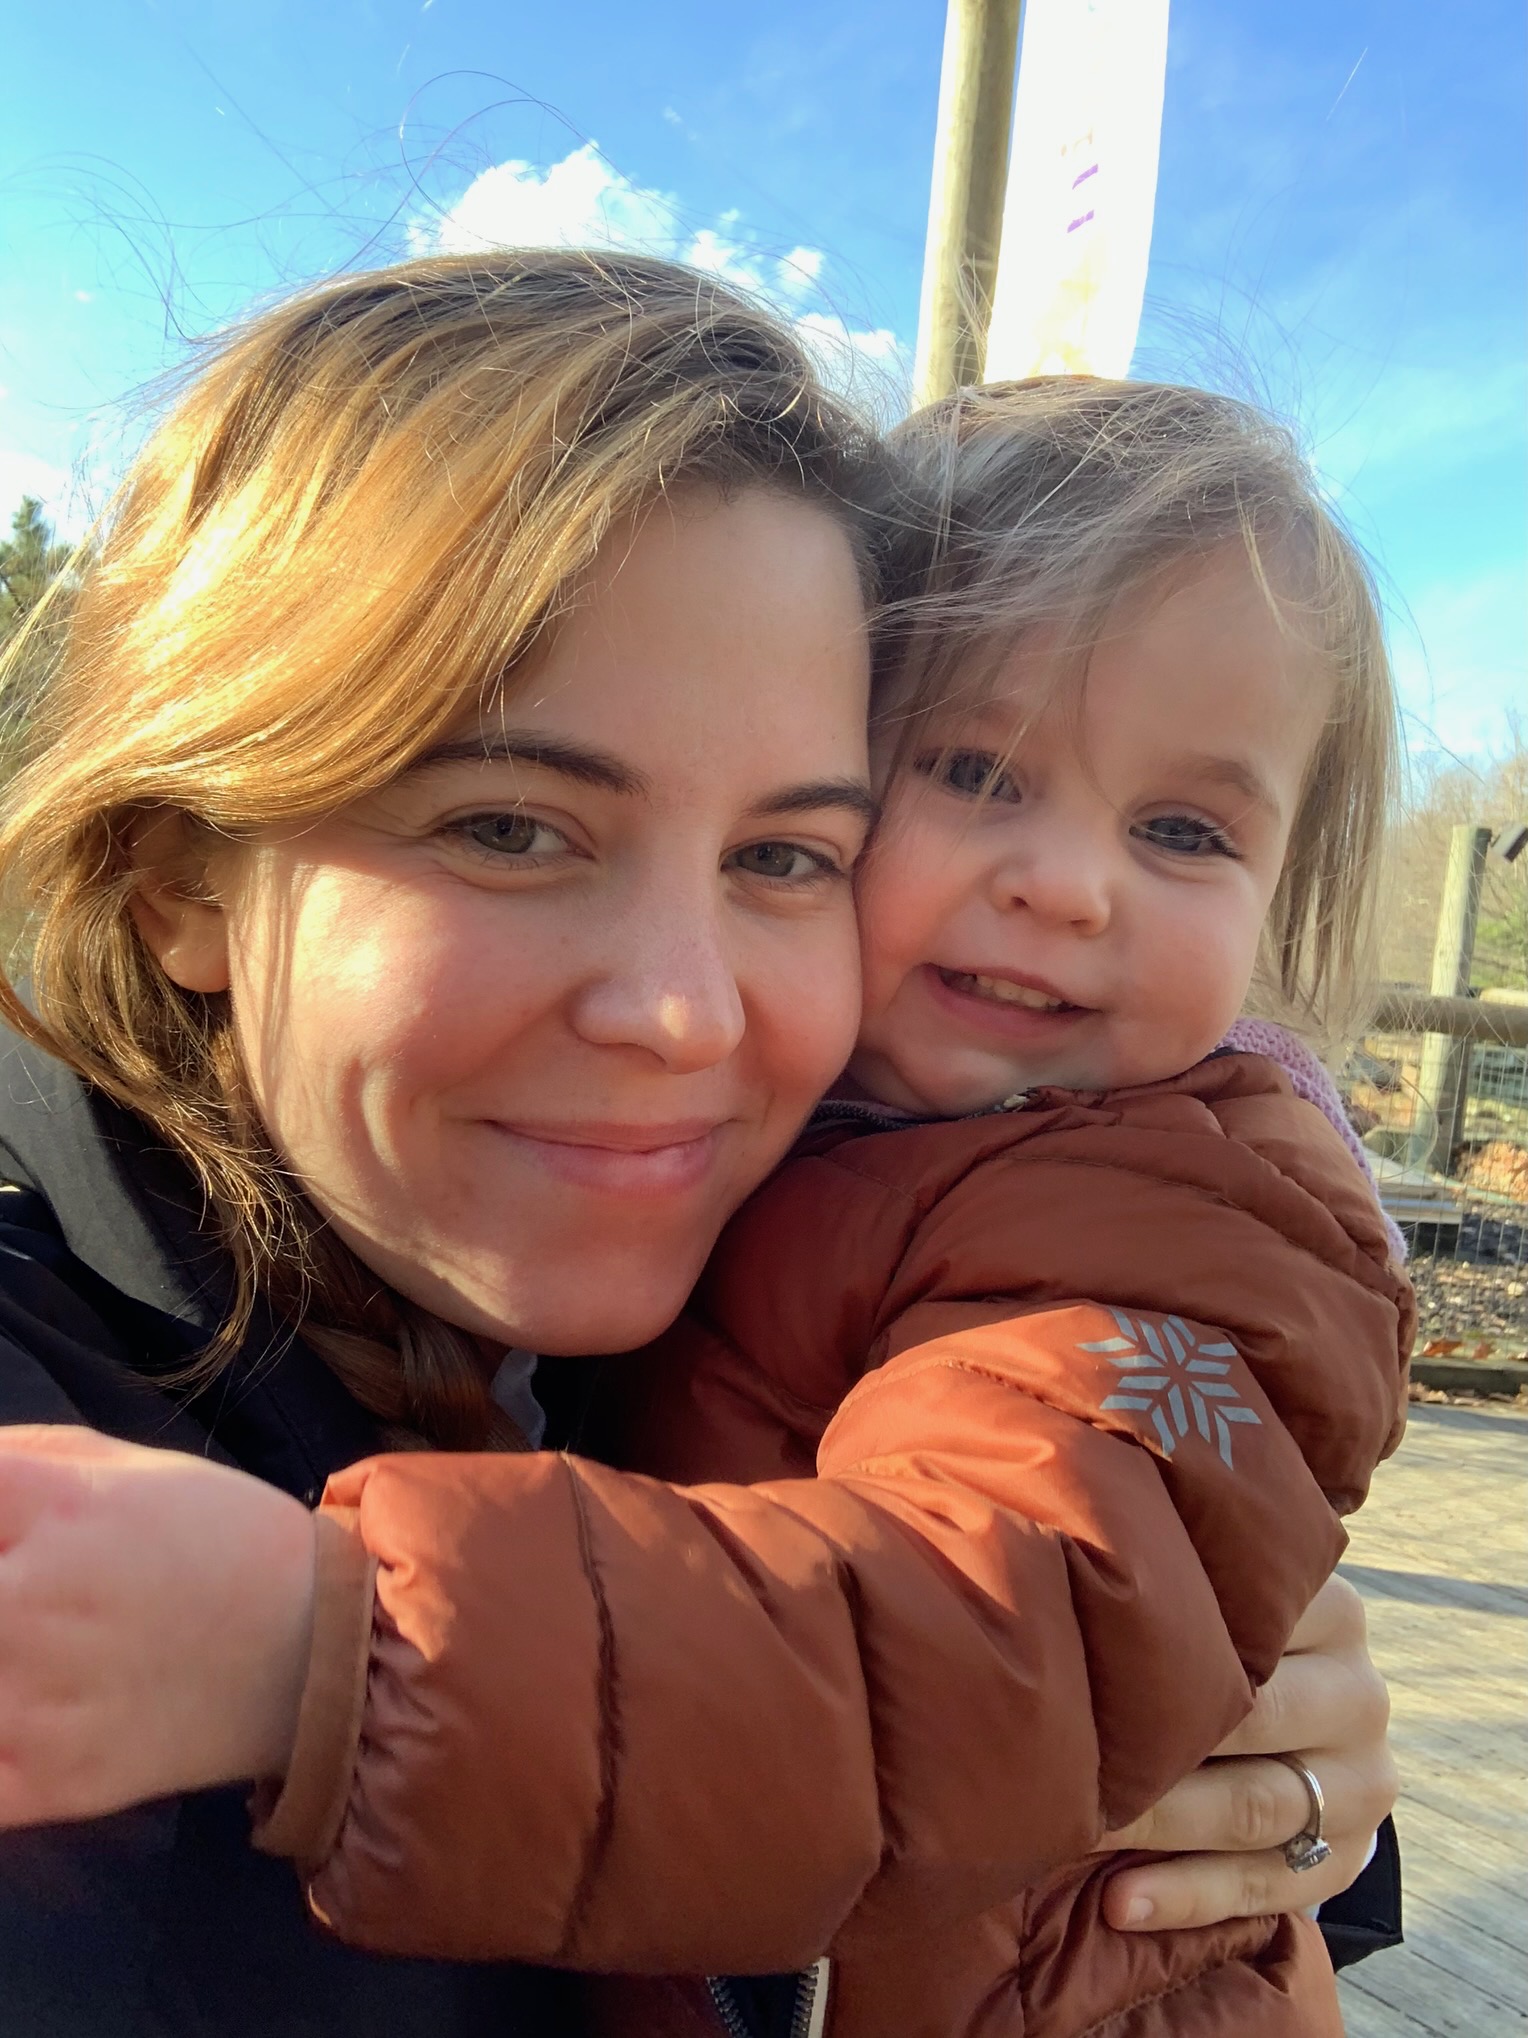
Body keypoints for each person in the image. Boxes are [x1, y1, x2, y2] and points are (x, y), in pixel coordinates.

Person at [0, 263, 1396, 2037]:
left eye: (785, 855)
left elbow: (1002, 1624)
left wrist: (1298, 1787)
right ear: (178, 875)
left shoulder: (787, 1251)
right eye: (513, 827)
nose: (681, 1013)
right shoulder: (58, 1426)